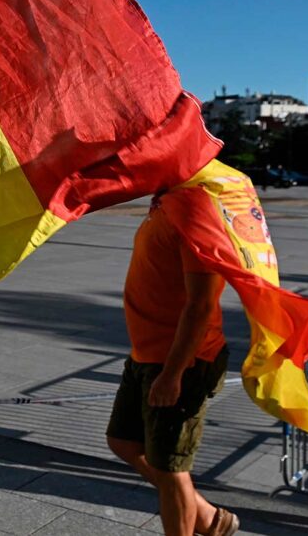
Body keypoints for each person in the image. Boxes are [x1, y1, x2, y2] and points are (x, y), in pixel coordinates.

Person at [106, 191, 238, 536]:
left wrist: (173, 373)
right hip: (146, 354)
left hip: (180, 361)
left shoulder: (196, 207)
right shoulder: (164, 202)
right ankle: (208, 516)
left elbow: (201, 305)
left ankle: (194, 516)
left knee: (170, 468)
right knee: (124, 442)